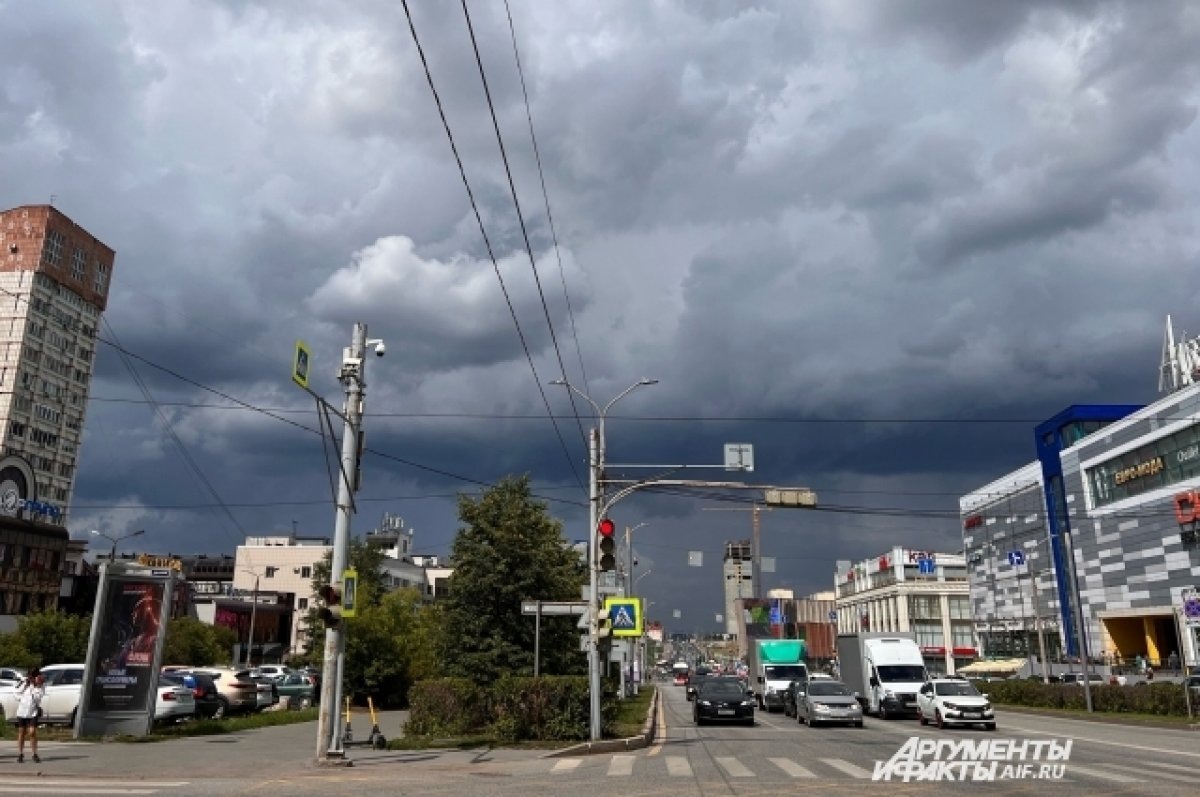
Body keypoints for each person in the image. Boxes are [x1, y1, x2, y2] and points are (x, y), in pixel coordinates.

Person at [14, 668, 45, 763]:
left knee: (32, 732)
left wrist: (35, 686)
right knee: (21, 732)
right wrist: (24, 688)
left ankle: (34, 753)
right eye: (29, 676)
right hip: (22, 711)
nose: (30, 678)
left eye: (32, 677)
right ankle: (20, 753)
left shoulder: (40, 686)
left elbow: (38, 698)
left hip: (32, 712)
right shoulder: (23, 683)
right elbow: (15, 694)